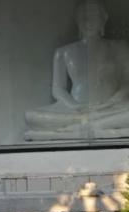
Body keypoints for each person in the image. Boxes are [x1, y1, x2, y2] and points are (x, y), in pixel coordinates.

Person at [25, 0, 129, 140]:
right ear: (77, 21)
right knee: (31, 116)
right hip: (75, 110)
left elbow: (126, 83)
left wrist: (110, 103)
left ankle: (85, 127)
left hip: (110, 108)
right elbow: (58, 89)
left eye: (93, 16)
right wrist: (75, 106)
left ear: (103, 19)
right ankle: (98, 126)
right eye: (83, 17)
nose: (88, 21)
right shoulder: (63, 52)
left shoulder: (119, 48)